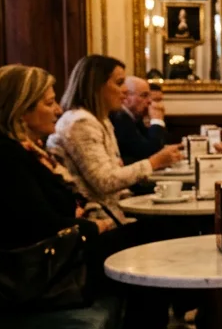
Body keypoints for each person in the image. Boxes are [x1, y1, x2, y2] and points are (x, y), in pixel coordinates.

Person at [0, 65, 176, 329]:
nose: (58, 109)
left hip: (49, 257)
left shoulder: (19, 149)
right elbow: (35, 224)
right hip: (26, 276)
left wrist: (81, 220)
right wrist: (91, 226)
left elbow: (49, 211)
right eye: (47, 103)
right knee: (150, 255)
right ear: (21, 108)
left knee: (154, 242)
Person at [48, 55, 183, 223]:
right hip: (98, 220)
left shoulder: (101, 119)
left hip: (115, 211)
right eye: (119, 83)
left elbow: (115, 172)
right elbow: (106, 181)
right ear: (97, 86)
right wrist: (154, 162)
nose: (125, 90)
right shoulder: (79, 122)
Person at [110, 76, 167, 165]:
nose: (149, 101)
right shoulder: (120, 119)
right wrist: (157, 120)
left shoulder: (135, 117)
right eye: (144, 95)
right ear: (126, 97)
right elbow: (150, 154)